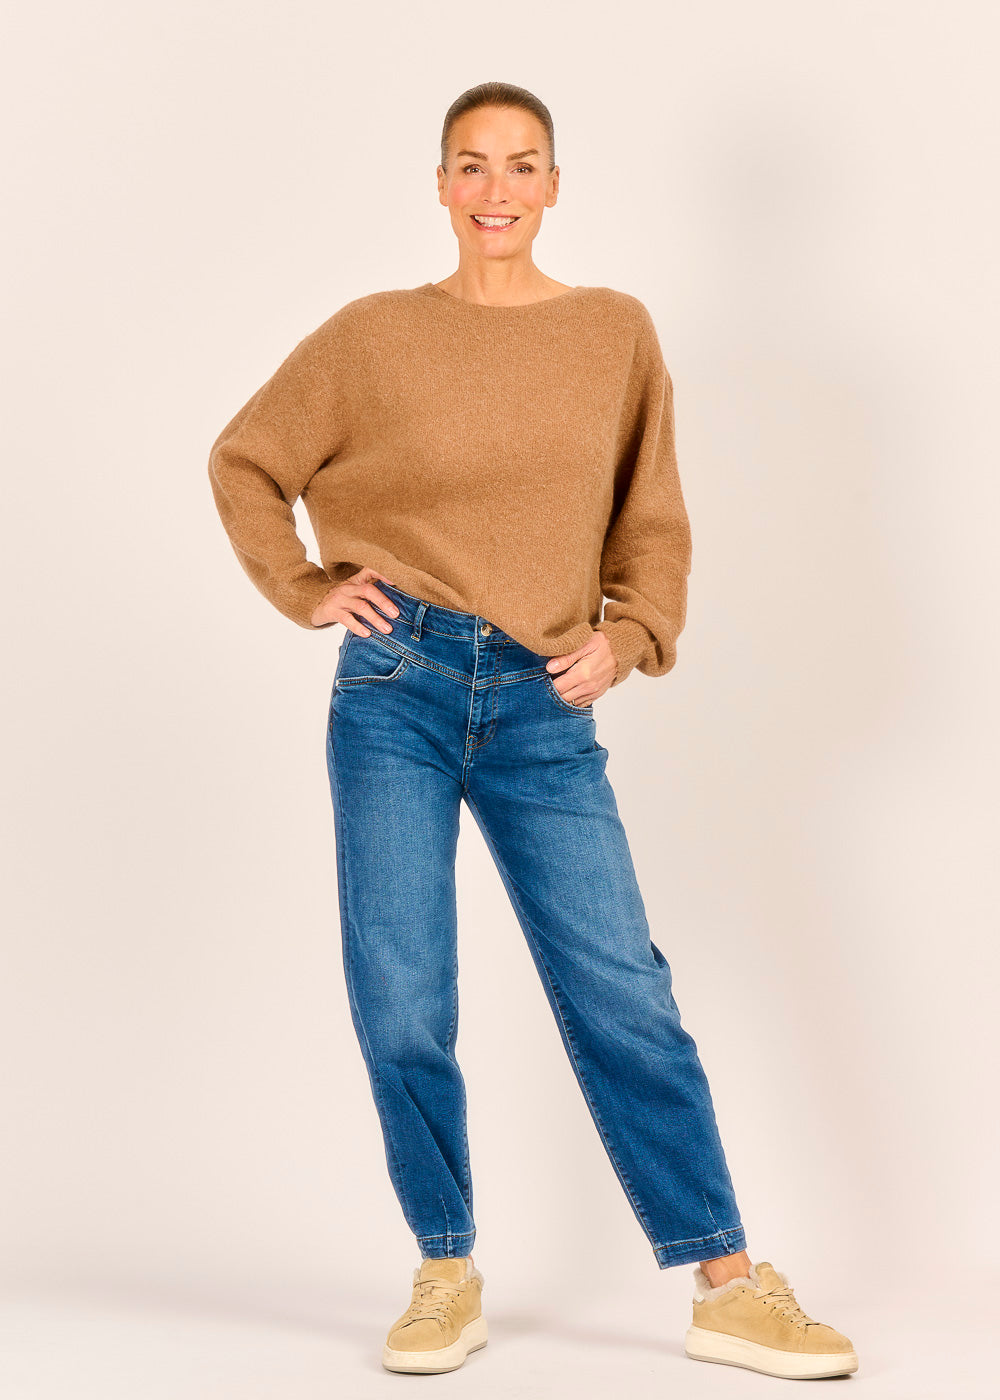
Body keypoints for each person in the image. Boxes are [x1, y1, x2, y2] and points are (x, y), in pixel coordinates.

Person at [207, 81, 858, 1382]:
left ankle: (728, 1284)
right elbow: (246, 460)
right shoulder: (372, 336)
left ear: (555, 186)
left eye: (521, 165)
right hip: (395, 685)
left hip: (542, 703)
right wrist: (307, 586)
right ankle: (444, 1269)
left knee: (623, 990)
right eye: (471, 164)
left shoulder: (612, 333)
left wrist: (634, 631)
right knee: (403, 997)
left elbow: (652, 516)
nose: (495, 189)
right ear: (441, 185)